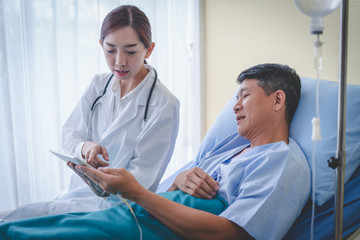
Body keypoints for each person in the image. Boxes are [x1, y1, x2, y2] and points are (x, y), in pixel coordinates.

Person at [0, 64, 310, 240]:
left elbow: (233, 234)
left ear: (278, 100)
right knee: (21, 222)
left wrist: (135, 192)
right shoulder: (234, 148)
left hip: (142, 223)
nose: (235, 106)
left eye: (245, 96)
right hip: (137, 211)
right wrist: (180, 181)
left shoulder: (281, 161)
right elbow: (175, 194)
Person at [0, 5, 179, 222]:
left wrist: (99, 177)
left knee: (19, 222)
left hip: (121, 209)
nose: (119, 61)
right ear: (101, 45)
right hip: (77, 197)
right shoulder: (98, 85)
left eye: (130, 51)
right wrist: (85, 148)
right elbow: (70, 134)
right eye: (110, 50)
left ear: (149, 50)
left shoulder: (164, 104)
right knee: (14, 218)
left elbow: (141, 179)